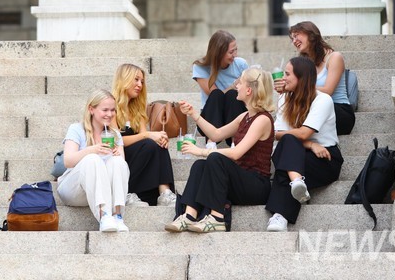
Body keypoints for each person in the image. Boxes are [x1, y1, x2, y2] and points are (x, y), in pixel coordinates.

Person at [165, 67, 275, 233]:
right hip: (239, 181)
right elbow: (216, 135)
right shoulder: (244, 117)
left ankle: (217, 218)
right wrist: (194, 114)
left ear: (249, 90)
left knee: (215, 159)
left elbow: (236, 153)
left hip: (256, 185)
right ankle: (188, 215)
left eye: (240, 82)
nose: (236, 85)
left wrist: (201, 151)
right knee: (199, 166)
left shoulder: (262, 120)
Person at [265, 57, 344, 232]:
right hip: (298, 152)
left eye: (287, 74)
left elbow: (303, 133)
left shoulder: (323, 100)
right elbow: (275, 134)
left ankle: (280, 215)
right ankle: (297, 182)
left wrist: (308, 143)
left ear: (301, 78)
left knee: (286, 162)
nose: (282, 78)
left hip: (325, 158)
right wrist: (309, 144)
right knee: (288, 146)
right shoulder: (284, 99)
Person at [56, 89, 130, 232]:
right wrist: (92, 150)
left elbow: (121, 171)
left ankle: (117, 216)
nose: (110, 114)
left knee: (118, 162)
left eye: (113, 110)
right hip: (74, 190)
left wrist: (117, 154)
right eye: (105, 110)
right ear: (91, 109)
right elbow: (68, 161)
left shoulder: (114, 134)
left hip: (102, 191)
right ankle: (104, 216)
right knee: (92, 159)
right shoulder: (77, 129)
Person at [112, 63, 177, 207]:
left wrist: (157, 138)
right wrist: (148, 135)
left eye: (141, 81)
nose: (140, 85)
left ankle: (165, 192)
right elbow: (116, 141)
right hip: (117, 156)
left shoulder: (137, 110)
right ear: (124, 79)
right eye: (136, 80)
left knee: (156, 144)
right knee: (149, 142)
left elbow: (145, 138)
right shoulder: (111, 107)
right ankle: (127, 192)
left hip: (138, 161)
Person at [275, 21, 355, 135]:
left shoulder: (334, 57)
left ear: (311, 34)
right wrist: (286, 88)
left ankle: (286, 134)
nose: (294, 41)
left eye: (296, 35)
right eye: (292, 38)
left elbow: (328, 91)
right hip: (313, 108)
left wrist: (296, 87)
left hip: (338, 111)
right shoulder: (304, 64)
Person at [192, 30, 248, 147]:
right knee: (217, 94)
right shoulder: (201, 67)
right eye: (231, 52)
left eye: (236, 50)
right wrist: (233, 85)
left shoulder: (241, 64)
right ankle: (211, 142)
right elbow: (213, 94)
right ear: (218, 53)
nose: (235, 55)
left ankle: (235, 142)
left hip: (235, 114)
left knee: (233, 95)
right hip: (212, 117)